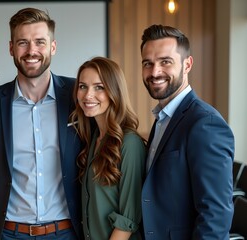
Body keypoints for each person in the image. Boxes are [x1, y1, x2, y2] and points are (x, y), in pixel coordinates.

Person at [0, 7, 82, 240]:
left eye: (40, 42)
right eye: (22, 42)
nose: (32, 51)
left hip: (66, 232)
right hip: (10, 232)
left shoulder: (79, 96)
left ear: (53, 46)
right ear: (11, 48)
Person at [140, 24, 235, 239]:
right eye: (148, 63)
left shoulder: (205, 123)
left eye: (165, 62)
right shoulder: (164, 118)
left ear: (187, 64)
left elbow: (215, 216)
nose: (155, 72)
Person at [70, 57, 145, 240]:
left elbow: (128, 219)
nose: (88, 95)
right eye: (82, 86)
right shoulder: (93, 138)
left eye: (99, 87)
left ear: (114, 91)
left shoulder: (130, 143)